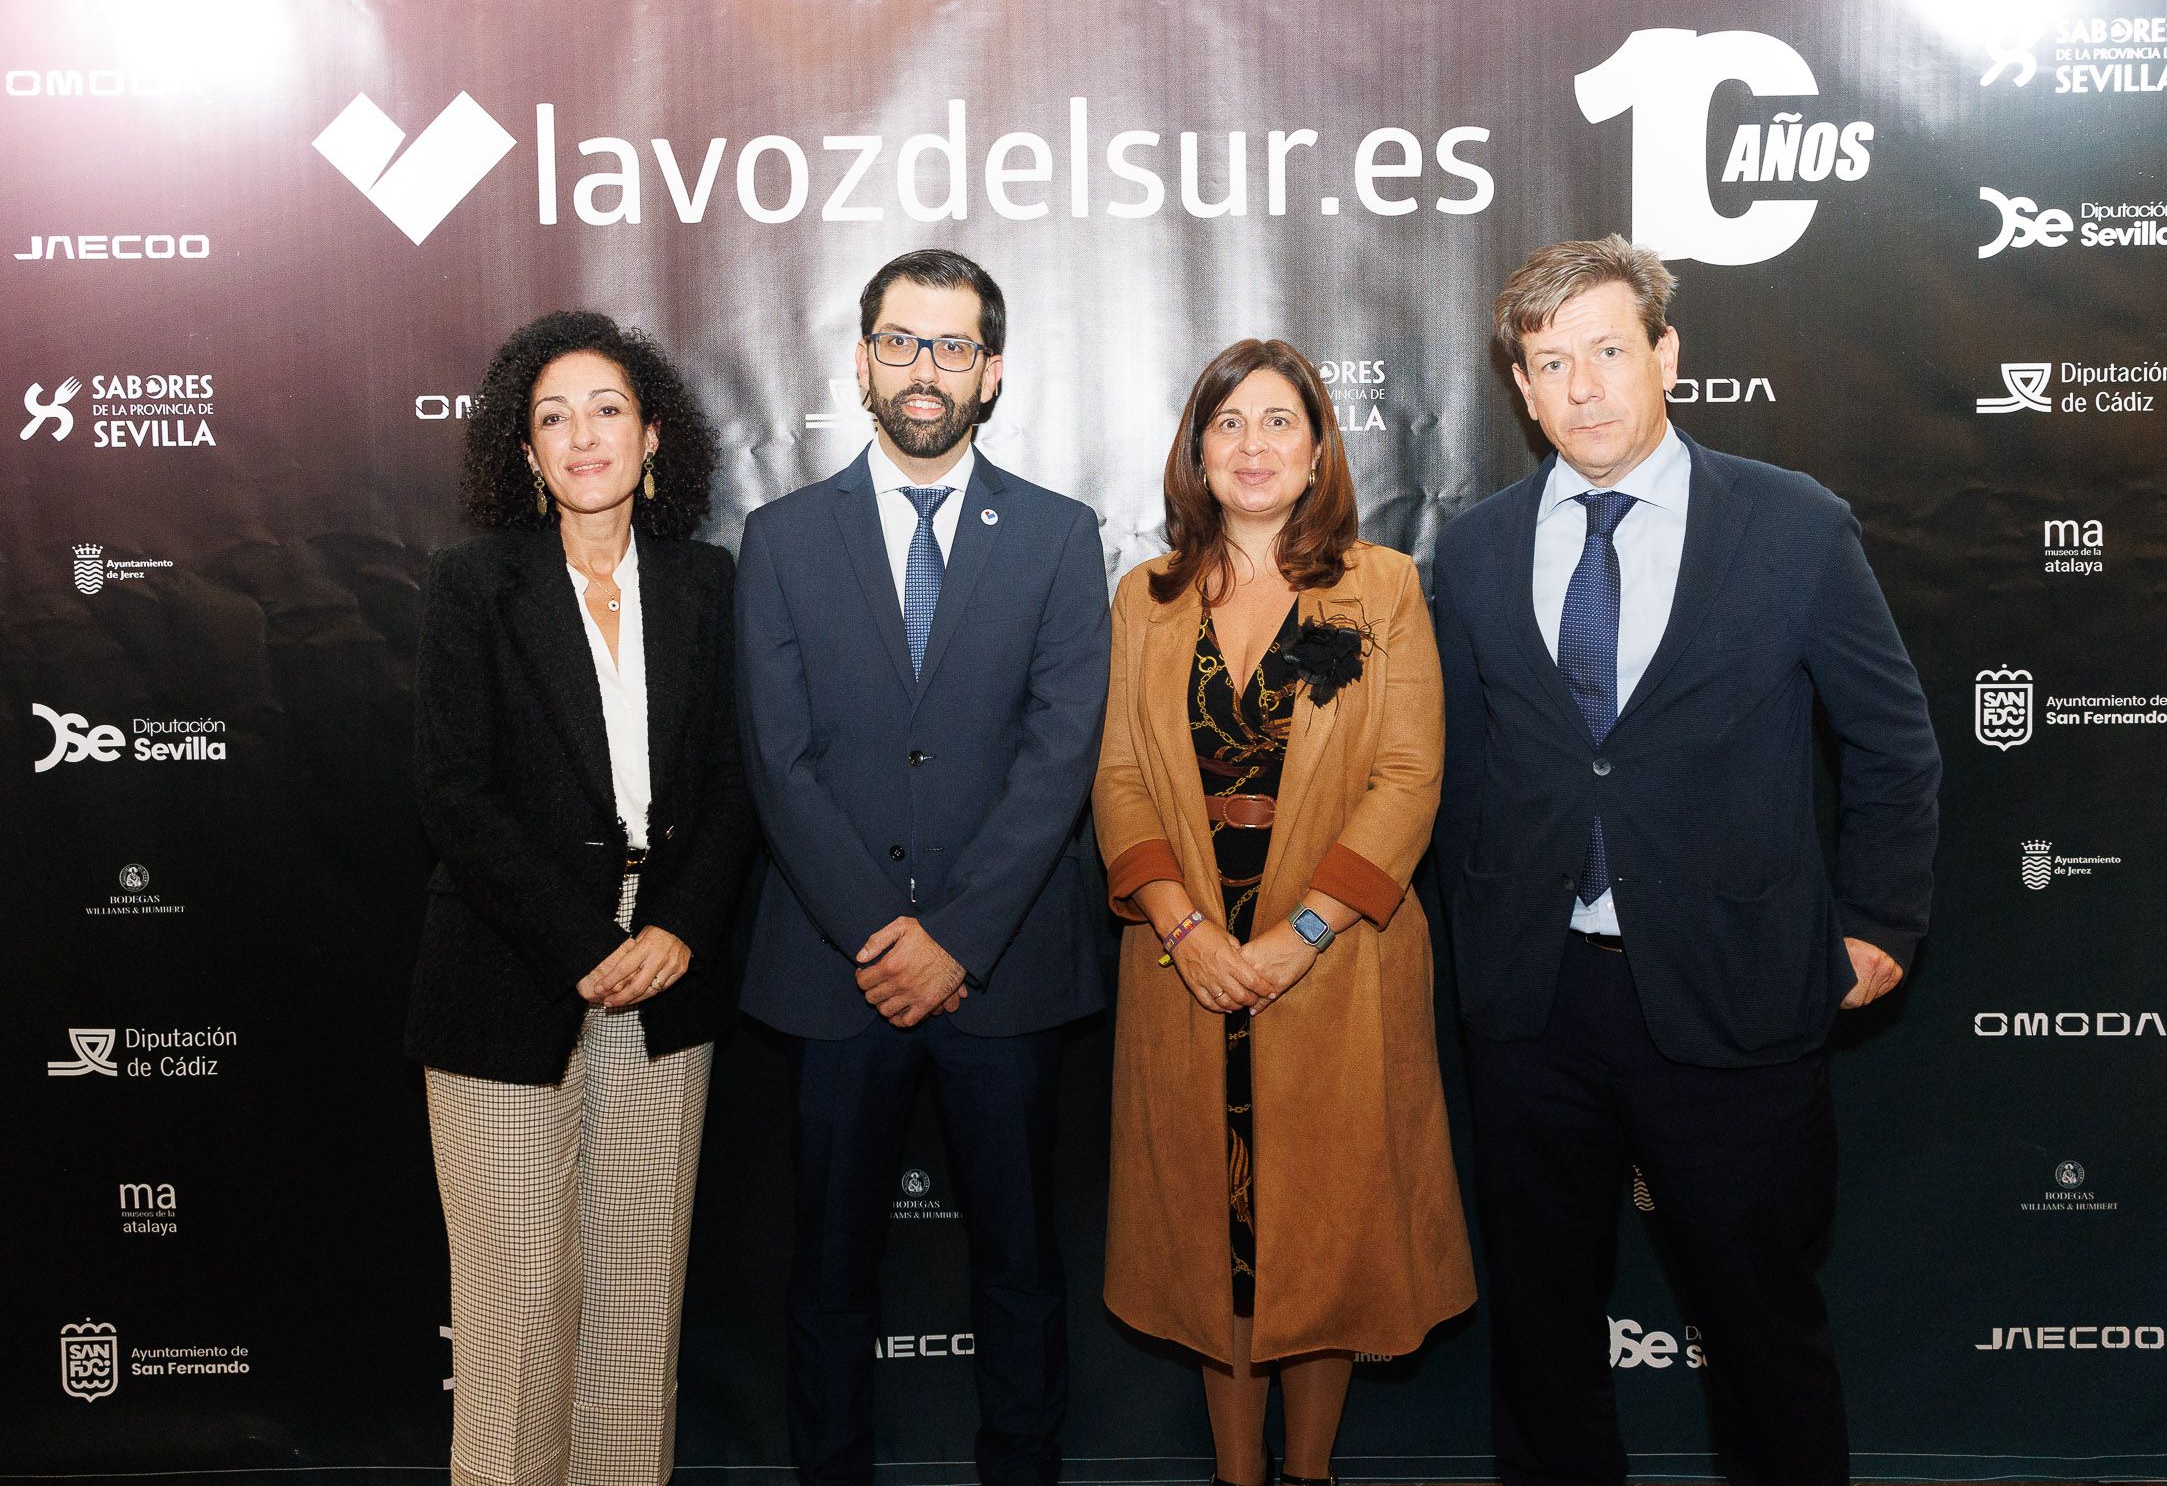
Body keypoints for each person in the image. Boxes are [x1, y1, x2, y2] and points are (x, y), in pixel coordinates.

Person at [1429, 236, 1941, 1486]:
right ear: (1524, 389)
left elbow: (1891, 741)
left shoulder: (1793, 525)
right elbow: (1461, 767)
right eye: (1553, 364)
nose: (1585, 386)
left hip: (1736, 986)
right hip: (1534, 1003)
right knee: (1543, 1337)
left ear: (1667, 356)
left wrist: (1878, 924)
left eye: (1609, 351)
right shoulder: (1477, 545)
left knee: (1762, 1327)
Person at [735, 248, 1111, 1486]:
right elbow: (777, 764)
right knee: (830, 1272)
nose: (925, 370)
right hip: (833, 973)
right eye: (901, 342)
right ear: (860, 360)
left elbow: (1060, 760)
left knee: (1017, 1267)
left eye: (953, 347)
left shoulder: (1061, 539)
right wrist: (879, 936)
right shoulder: (780, 539)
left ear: (991, 374)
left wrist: (956, 938)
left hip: (1001, 975)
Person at [1094, 339, 1475, 1486]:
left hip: (1336, 963)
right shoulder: (1144, 599)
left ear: (1317, 452)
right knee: (1221, 1243)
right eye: (1228, 424)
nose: (1251, 446)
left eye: (1277, 424)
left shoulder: (1384, 585)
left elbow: (1409, 778)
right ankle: (1236, 1476)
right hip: (1186, 967)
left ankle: (1308, 1474)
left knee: (1322, 1236)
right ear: (1196, 452)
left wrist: (1295, 939)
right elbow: (1117, 778)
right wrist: (1187, 931)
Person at [406, 311, 758, 1486]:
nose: (581, 434)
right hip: (508, 975)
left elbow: (731, 785)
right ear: (525, 451)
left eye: (606, 409)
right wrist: (583, 941)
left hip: (667, 977)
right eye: (552, 417)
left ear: (653, 435)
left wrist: (672, 930)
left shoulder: (708, 585)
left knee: (633, 1304)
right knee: (513, 1311)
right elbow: (454, 793)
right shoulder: (474, 585)